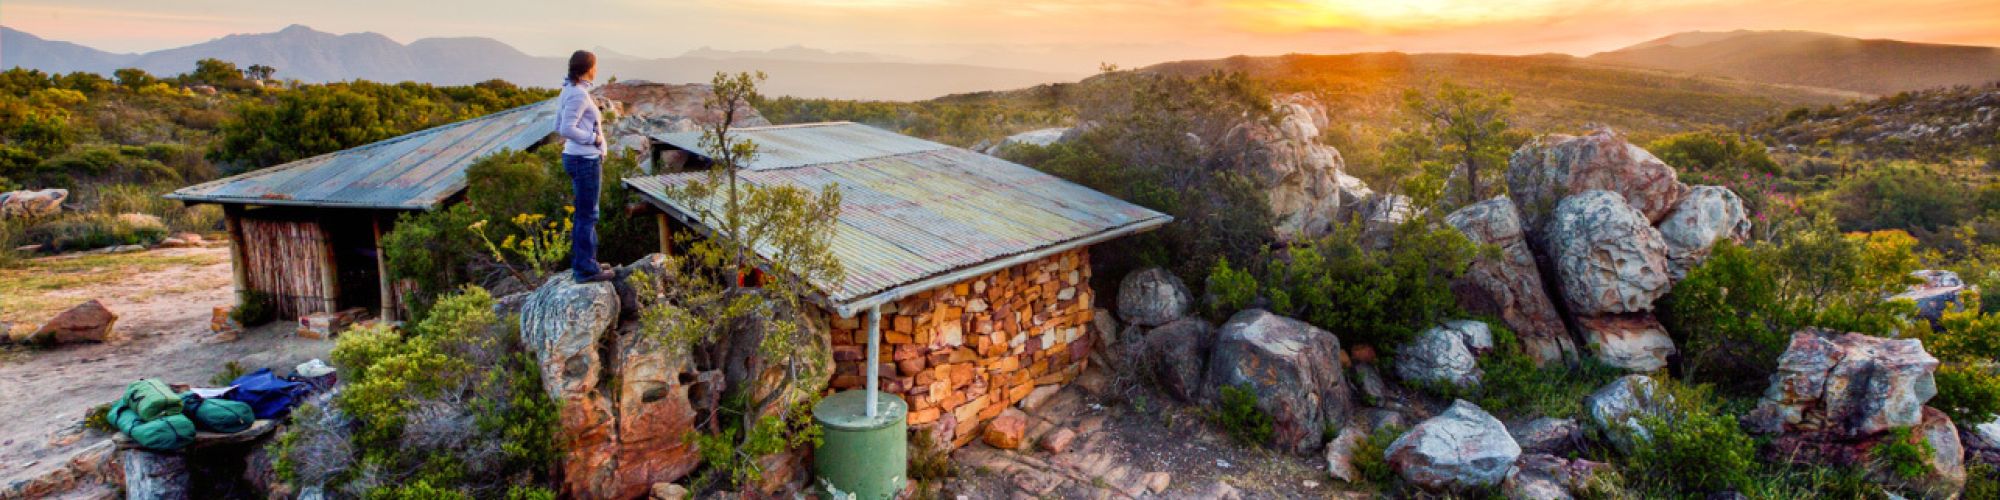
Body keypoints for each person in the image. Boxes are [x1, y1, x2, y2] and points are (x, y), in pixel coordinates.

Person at [555, 50, 617, 283]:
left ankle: (588, 261)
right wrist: (594, 139)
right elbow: (565, 128)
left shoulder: (569, 90)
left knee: (585, 214)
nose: (596, 69)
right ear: (588, 68)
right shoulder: (578, 95)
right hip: (584, 160)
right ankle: (585, 269)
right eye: (595, 65)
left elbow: (557, 123)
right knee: (588, 214)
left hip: (578, 158)